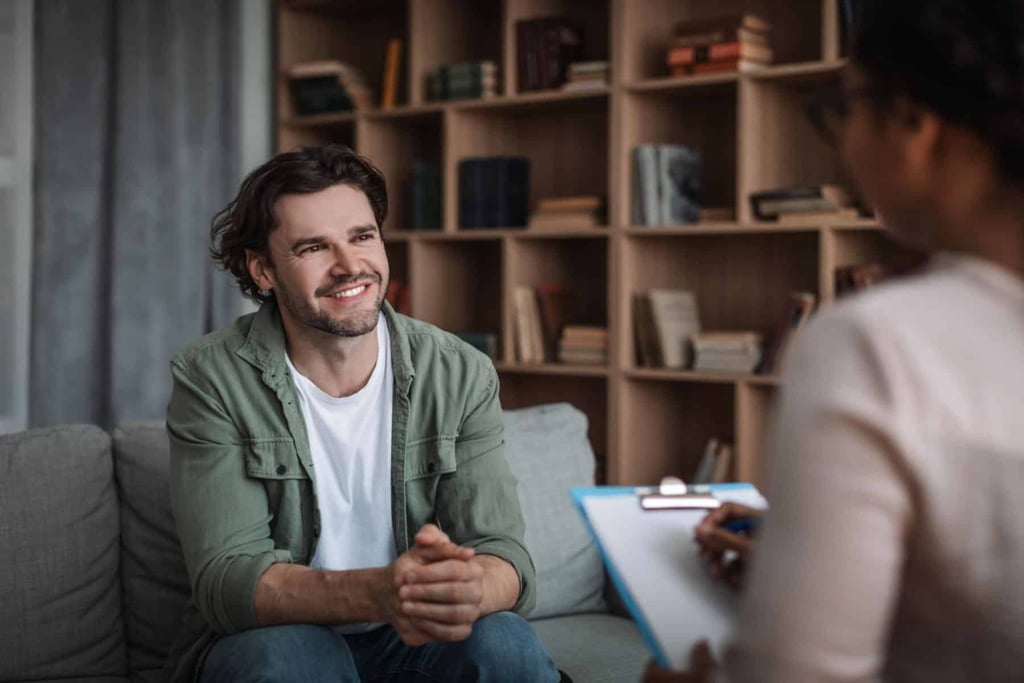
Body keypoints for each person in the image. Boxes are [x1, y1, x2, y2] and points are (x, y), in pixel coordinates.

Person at [645, 1, 1024, 680]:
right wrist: (802, 564)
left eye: (843, 107)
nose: (843, 140)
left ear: (912, 120)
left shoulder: (878, 344)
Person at [163, 144, 560, 682]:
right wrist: (379, 592)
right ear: (263, 270)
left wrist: (471, 587)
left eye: (362, 236)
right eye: (313, 248)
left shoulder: (460, 372)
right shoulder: (212, 379)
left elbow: (504, 555)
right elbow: (227, 582)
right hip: (286, 637)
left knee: (506, 644)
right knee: (290, 662)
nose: (351, 267)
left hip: (414, 642)